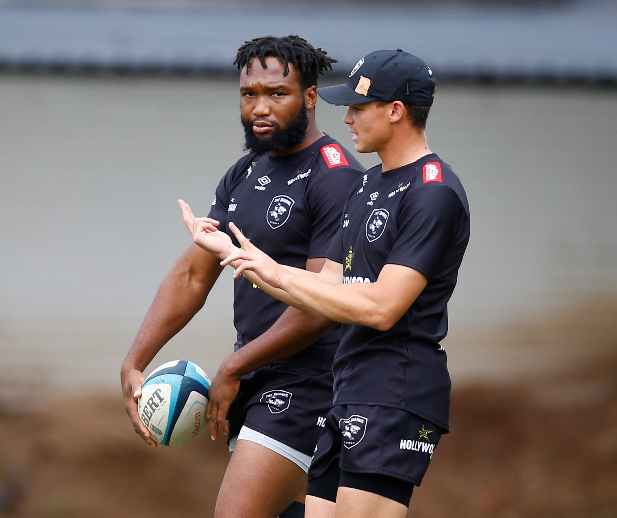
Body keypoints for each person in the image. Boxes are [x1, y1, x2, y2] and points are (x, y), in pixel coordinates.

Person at [179, 49, 470, 518]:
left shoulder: (433, 191)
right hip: (347, 388)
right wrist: (246, 260)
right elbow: (326, 286)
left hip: (394, 391)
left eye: (359, 107)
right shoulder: (369, 185)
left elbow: (382, 307)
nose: (347, 118)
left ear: (395, 111)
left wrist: (268, 271)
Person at [121, 35, 365, 518]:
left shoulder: (334, 176)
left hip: (312, 379)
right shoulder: (243, 172)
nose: (260, 107)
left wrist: (233, 367)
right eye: (249, 93)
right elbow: (194, 273)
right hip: (258, 372)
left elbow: (320, 304)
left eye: (277, 93)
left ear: (310, 97)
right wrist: (134, 362)